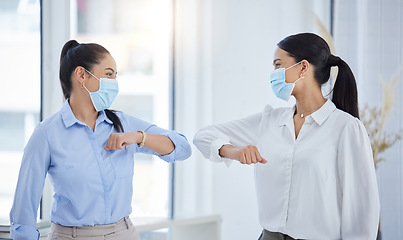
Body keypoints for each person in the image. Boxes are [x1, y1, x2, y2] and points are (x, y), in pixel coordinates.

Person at [193, 33, 380, 240]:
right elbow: (203, 136)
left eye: (278, 65)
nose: (273, 73)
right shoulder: (270, 121)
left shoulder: (346, 128)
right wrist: (233, 151)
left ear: (303, 67)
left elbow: (361, 209)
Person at [10, 40, 192, 240]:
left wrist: (139, 137)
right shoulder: (47, 134)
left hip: (125, 233)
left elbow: (182, 148)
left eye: (115, 75)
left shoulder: (123, 124)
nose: (114, 82)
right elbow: (23, 213)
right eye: (108, 74)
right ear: (81, 75)